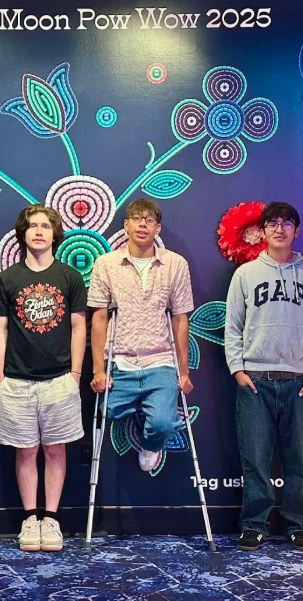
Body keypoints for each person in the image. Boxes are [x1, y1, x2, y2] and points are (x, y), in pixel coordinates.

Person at [224, 201, 303, 553]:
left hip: (300, 382)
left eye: (287, 223)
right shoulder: (246, 274)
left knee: (298, 459)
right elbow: (233, 326)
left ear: (296, 231)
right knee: (255, 458)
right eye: (272, 223)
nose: (279, 229)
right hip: (255, 380)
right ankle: (254, 524)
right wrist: (238, 370)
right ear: (263, 231)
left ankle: (299, 525)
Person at [0, 204, 87, 552]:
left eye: (45, 226)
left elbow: (79, 327)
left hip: (59, 380)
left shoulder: (70, 277)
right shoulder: (8, 279)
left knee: (55, 450)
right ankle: (30, 519)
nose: (39, 231)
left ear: (55, 234)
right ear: (23, 234)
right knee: (26, 451)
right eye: (32, 226)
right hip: (16, 382)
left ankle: (51, 519)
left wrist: (75, 374)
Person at [88, 199, 195, 473]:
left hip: (159, 361)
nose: (142, 225)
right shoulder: (106, 264)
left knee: (162, 424)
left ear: (158, 228)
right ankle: (141, 405)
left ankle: (151, 442)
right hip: (120, 361)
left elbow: (180, 318)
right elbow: (99, 318)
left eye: (149, 220)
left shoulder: (175, 264)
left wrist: (183, 372)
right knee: (107, 410)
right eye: (136, 219)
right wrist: (98, 370)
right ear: (126, 225)